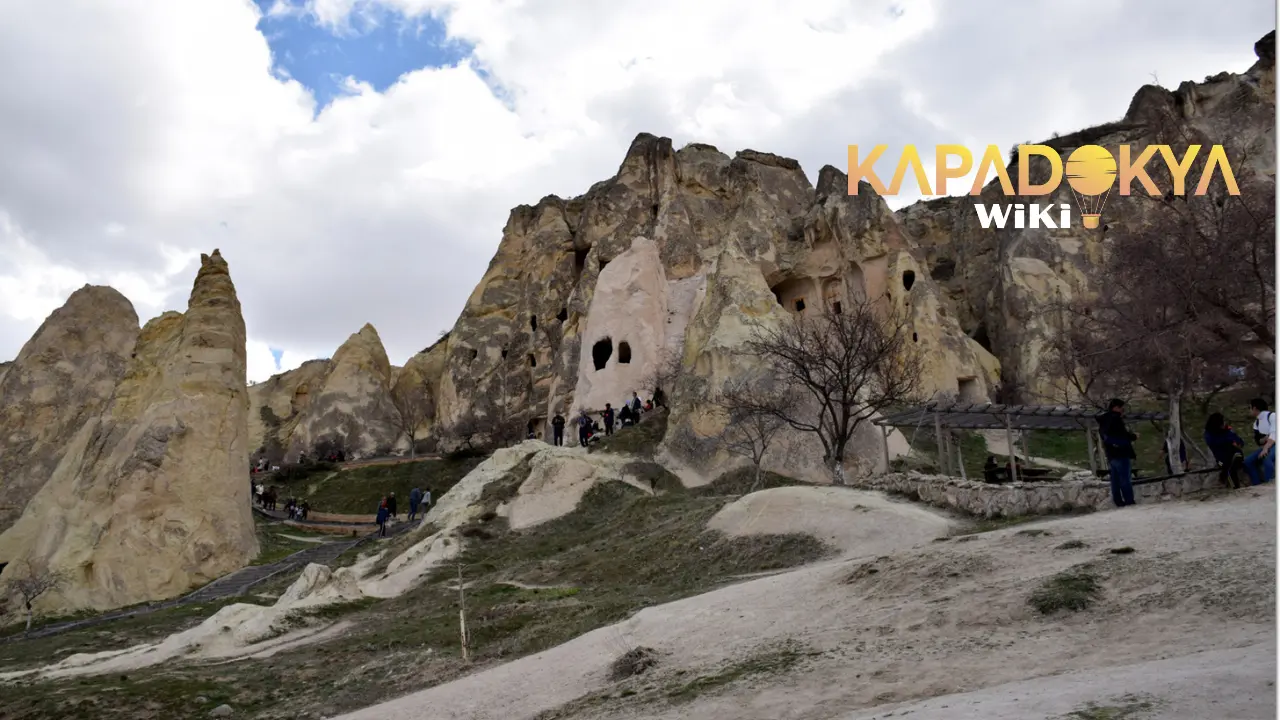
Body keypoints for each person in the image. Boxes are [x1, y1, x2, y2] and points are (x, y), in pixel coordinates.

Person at [1097, 398, 1138, 507]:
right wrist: (1134, 436)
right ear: (1116, 408)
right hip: (1121, 452)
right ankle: (1129, 500)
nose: (1122, 411)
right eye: (1122, 408)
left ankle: (1118, 501)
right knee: (1125, 478)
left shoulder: (1103, 421)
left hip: (1111, 454)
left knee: (1115, 480)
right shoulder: (1115, 419)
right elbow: (1123, 435)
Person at [1204, 413, 1246, 489]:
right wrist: (1229, 441)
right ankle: (1234, 486)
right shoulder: (1209, 434)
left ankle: (1231, 483)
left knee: (1235, 458)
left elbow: (1240, 442)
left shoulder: (1227, 431)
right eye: (1222, 422)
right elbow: (1215, 443)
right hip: (1220, 460)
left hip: (1235, 455)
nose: (1224, 423)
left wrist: (1237, 443)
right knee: (1226, 466)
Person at [1245, 398, 1276, 485]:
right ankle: (1257, 484)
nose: (1249, 410)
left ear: (1255, 408)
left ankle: (1269, 482)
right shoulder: (1256, 423)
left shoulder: (1272, 416)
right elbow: (1258, 441)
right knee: (1248, 461)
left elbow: (1274, 434)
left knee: (1267, 458)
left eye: (1250, 408)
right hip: (1268, 446)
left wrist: (1266, 448)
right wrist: (1265, 439)